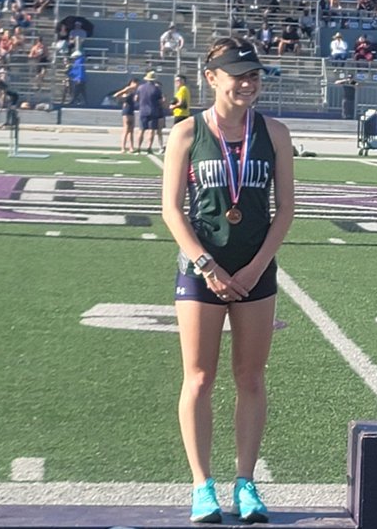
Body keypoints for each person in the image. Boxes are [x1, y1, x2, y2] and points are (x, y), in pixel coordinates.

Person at [161, 37, 293, 524]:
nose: (248, 82)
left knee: (251, 378)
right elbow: (171, 211)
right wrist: (206, 266)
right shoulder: (187, 132)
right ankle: (202, 486)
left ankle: (247, 483)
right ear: (211, 77)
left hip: (255, 272)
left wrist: (256, 267)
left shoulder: (275, 133)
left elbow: (286, 211)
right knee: (199, 377)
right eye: (238, 74)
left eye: (254, 74)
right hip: (201, 272)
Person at [136, 70, 167, 154]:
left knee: (141, 130)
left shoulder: (140, 87)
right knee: (151, 130)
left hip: (143, 110)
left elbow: (136, 98)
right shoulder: (156, 89)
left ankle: (138, 148)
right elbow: (161, 101)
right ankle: (149, 147)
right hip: (153, 111)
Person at [112, 77, 139, 153]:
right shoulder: (128, 89)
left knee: (131, 130)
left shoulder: (135, 91)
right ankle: (123, 147)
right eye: (134, 83)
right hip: (126, 110)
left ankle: (131, 147)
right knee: (126, 129)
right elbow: (116, 95)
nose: (136, 85)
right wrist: (123, 97)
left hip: (132, 110)